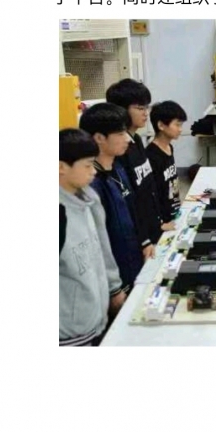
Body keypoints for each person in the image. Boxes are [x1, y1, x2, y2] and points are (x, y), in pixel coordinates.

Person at [59, 128, 126, 346]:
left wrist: (114, 288)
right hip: (68, 335)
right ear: (61, 167)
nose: (93, 172)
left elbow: (102, 249)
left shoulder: (89, 199)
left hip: (95, 321)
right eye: (87, 165)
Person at [79, 103, 144, 290]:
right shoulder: (91, 185)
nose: (128, 139)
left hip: (134, 263)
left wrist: (144, 242)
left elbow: (133, 210)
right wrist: (113, 288)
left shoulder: (118, 167)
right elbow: (98, 241)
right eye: (121, 134)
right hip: (113, 278)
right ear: (99, 138)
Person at [106, 78, 169, 257]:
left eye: (147, 107)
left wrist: (159, 224)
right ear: (122, 110)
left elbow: (148, 188)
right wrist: (144, 239)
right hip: (139, 238)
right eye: (140, 108)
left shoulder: (138, 140)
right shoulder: (120, 149)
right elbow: (131, 200)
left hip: (153, 228)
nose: (146, 113)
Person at [147, 100, 188, 224]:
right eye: (177, 125)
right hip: (163, 218)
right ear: (161, 125)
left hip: (174, 209)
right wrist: (160, 222)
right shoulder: (151, 155)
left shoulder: (169, 147)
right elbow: (152, 193)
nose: (180, 129)